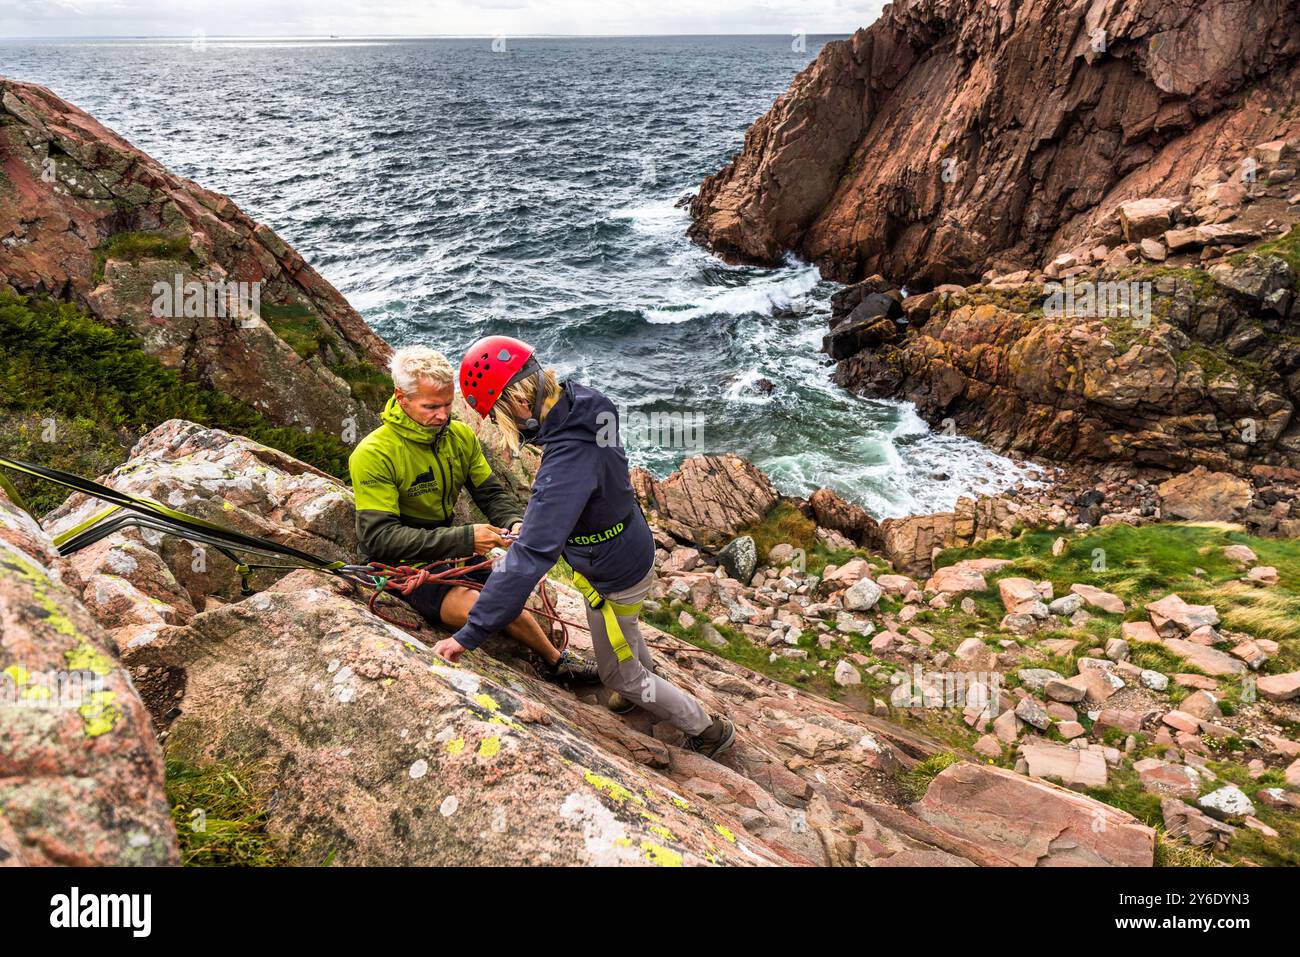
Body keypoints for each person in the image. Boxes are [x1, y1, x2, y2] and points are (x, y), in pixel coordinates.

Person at [434, 335, 735, 759]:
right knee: (624, 631)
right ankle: (642, 682)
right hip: (629, 544)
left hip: (612, 575)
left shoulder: (565, 462)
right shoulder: (588, 402)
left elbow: (531, 558)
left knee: (618, 674)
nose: (508, 430)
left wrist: (471, 633)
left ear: (518, 405)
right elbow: (586, 487)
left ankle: (706, 729)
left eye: (499, 416)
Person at [348, 345, 599, 686]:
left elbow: (490, 492)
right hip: (399, 565)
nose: (442, 415)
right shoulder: (375, 454)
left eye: (448, 404)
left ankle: (558, 661)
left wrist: (514, 521)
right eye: (431, 407)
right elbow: (379, 538)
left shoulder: (459, 436)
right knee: (482, 605)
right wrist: (465, 538)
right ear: (402, 398)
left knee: (507, 587)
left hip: (445, 549)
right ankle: (556, 662)